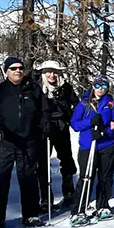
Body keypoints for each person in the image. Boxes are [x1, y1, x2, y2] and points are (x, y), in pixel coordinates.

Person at [0, 57, 49, 228]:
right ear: (6, 71)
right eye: (13, 68)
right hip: (3, 142)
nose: (18, 71)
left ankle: (30, 215)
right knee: (0, 180)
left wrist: (45, 124)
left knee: (28, 179)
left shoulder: (33, 89)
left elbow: (44, 111)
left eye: (20, 68)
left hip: (28, 142)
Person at [68, 76, 114, 226]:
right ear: (93, 86)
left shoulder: (111, 104)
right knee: (86, 177)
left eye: (104, 86)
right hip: (88, 145)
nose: (100, 89)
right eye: (97, 85)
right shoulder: (84, 104)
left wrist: (107, 132)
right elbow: (74, 124)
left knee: (106, 177)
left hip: (107, 145)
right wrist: (89, 123)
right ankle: (78, 210)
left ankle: (103, 206)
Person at [36, 60, 79, 210]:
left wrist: (69, 116)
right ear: (43, 72)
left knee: (67, 160)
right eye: (49, 71)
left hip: (61, 127)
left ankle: (69, 193)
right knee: (42, 163)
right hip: (42, 130)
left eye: (55, 72)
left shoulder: (65, 87)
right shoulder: (37, 87)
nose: (52, 75)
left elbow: (76, 104)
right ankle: (45, 198)